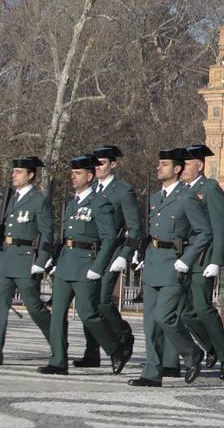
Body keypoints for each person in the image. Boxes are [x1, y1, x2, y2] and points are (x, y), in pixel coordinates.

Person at [128, 148, 211, 387]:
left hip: (175, 263)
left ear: (176, 169)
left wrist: (187, 259)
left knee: (165, 317)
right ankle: (152, 372)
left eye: (163, 164)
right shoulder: (154, 198)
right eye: (158, 163)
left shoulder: (187, 198)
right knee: (150, 323)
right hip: (154, 262)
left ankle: (192, 353)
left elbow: (204, 233)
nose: (158, 167)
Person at [41, 156, 130, 376]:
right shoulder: (72, 203)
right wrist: (55, 260)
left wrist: (98, 266)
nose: (73, 177)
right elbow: (67, 236)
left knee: (88, 313)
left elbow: (109, 238)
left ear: (89, 176)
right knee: (57, 313)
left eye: (78, 173)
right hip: (66, 264)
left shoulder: (99, 203)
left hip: (86, 263)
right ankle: (58, 360)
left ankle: (116, 349)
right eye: (72, 173)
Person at [75, 145, 140, 371]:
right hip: (88, 253)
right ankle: (91, 352)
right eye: (95, 164)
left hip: (111, 253)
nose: (97, 167)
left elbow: (134, 228)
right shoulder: (89, 190)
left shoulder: (123, 191)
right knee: (88, 303)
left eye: (101, 163)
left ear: (113, 164)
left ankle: (123, 335)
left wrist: (125, 255)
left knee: (102, 301)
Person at [178, 144, 224, 379]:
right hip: (186, 256)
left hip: (204, 257)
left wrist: (217, 260)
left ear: (200, 166)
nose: (182, 169)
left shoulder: (209, 188)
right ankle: (212, 346)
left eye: (187, 165)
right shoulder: (182, 190)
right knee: (185, 311)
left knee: (202, 307)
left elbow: (220, 226)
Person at [1, 156, 53, 366]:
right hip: (5, 258)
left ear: (30, 175)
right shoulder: (10, 198)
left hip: (25, 260)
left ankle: (58, 341)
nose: (14, 175)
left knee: (34, 307)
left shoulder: (39, 200)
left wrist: (41, 260)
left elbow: (47, 234)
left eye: (18, 172)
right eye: (13, 171)